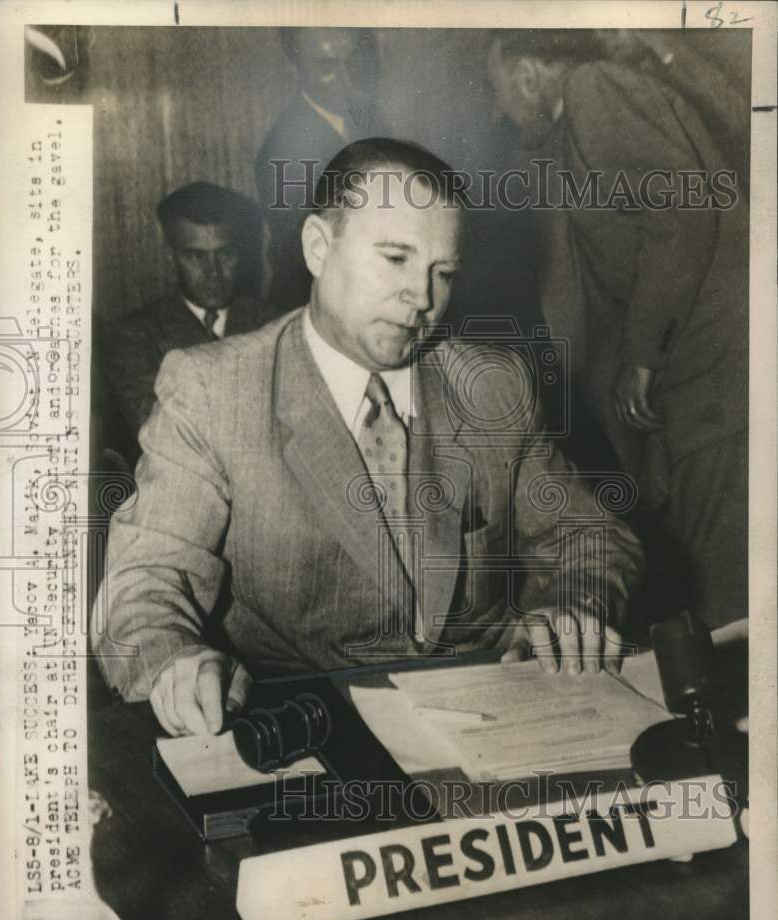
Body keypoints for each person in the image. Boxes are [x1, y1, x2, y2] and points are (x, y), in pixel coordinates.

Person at [92, 138, 644, 738]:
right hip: (306, 729)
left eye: (444, 272)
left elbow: (592, 536)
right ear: (317, 248)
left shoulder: (491, 386)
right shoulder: (214, 390)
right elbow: (142, 582)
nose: (423, 298)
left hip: (498, 719)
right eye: (395, 258)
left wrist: (574, 603)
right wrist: (174, 662)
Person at [486, 31, 748, 629]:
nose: (497, 108)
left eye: (495, 87)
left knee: (727, 603)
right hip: (693, 390)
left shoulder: (593, 89)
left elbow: (682, 214)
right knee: (710, 590)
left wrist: (641, 358)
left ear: (528, 74)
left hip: (715, 381)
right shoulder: (562, 136)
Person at [98, 181, 275, 445]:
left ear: (239, 252)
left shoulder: (276, 325)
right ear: (171, 256)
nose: (213, 272)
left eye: (224, 254)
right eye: (196, 257)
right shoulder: (134, 337)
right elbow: (164, 436)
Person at [256, 27, 386, 312]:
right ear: (294, 68)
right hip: (312, 305)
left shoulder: (368, 120)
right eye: (327, 65)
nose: (346, 78)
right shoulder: (285, 147)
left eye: (353, 61)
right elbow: (305, 257)